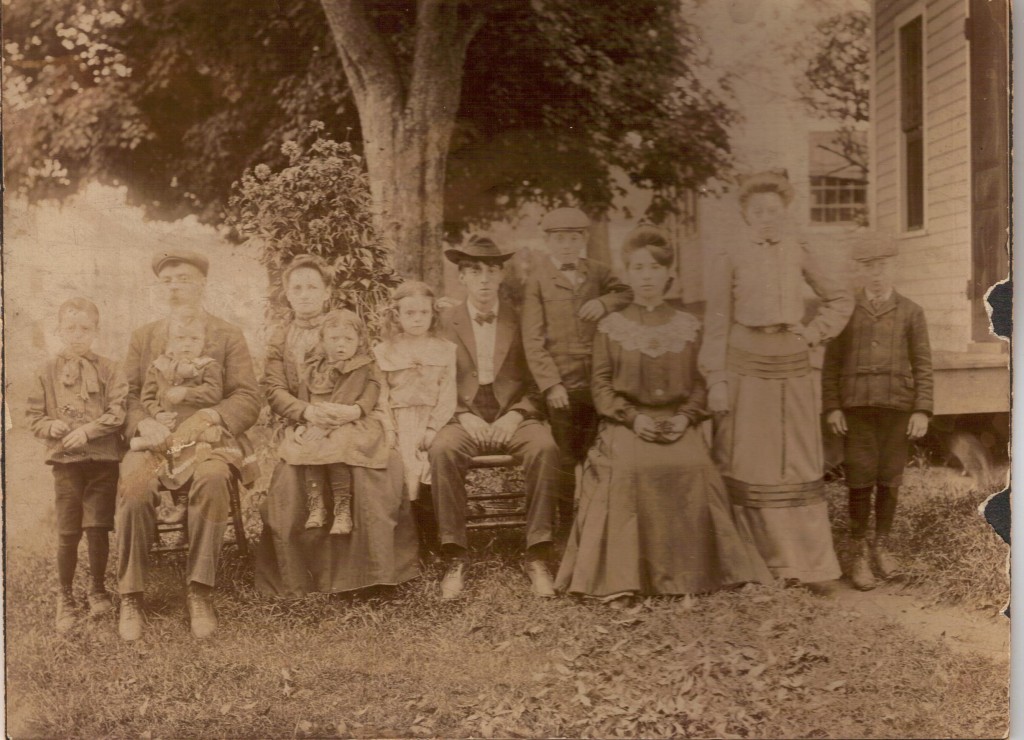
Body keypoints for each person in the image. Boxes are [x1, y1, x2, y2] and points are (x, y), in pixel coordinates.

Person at [555, 227, 770, 605]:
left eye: (654, 268)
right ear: (629, 273)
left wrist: (687, 418)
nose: (646, 276)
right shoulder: (610, 327)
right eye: (638, 268)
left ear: (668, 274)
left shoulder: (688, 324)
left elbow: (701, 382)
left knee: (693, 467)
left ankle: (699, 573)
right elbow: (601, 385)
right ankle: (620, 578)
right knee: (628, 471)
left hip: (677, 420)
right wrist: (632, 417)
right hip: (626, 422)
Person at [699, 170, 854, 593]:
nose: (767, 217)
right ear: (746, 215)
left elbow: (840, 298)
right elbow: (715, 325)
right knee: (749, 462)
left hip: (793, 368)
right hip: (744, 367)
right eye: (758, 211)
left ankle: (805, 565)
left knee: (795, 462)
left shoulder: (799, 250)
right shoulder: (730, 256)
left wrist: (813, 331)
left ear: (785, 212)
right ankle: (752, 564)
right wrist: (716, 379)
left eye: (774, 210)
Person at [115, 250, 261, 641]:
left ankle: (200, 590)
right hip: (155, 440)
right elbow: (127, 394)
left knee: (213, 478)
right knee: (135, 483)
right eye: (168, 281)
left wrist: (212, 416)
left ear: (202, 285)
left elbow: (247, 396)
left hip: (206, 441)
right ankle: (131, 594)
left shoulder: (227, 334)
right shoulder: (144, 337)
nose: (176, 288)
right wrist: (143, 421)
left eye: (184, 279)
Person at [254, 254, 419, 598]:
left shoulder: (346, 328)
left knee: (369, 472)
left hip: (353, 418)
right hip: (303, 423)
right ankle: (310, 579)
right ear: (286, 293)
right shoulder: (280, 338)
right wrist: (305, 415)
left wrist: (354, 412)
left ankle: (370, 575)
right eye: (296, 287)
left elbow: (369, 380)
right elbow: (274, 390)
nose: (304, 294)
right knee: (291, 481)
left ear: (327, 291)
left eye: (312, 286)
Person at [428, 235, 561, 599]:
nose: (484, 280)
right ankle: (455, 555)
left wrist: (516, 415)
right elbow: (434, 379)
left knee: (545, 448)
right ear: (462, 278)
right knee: (442, 450)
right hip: (462, 413)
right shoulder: (444, 321)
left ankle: (537, 554)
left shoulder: (521, 319)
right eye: (474, 271)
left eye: (490, 270)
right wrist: (460, 413)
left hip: (514, 413)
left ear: (501, 275)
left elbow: (537, 382)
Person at [823, 234, 933, 590]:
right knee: (860, 477)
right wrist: (833, 407)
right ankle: (856, 552)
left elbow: (924, 366)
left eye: (882, 266)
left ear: (893, 267)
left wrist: (922, 410)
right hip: (856, 409)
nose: (876, 274)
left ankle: (881, 547)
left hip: (897, 410)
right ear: (860, 271)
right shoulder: (847, 311)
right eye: (868, 267)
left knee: (889, 478)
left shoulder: (912, 313)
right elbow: (831, 365)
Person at [521, 207, 632, 530]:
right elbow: (532, 340)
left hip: (597, 382)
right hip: (562, 389)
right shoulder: (538, 280)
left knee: (599, 454)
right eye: (559, 239)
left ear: (583, 239)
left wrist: (604, 303)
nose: (566, 246)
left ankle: (600, 523)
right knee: (566, 459)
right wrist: (551, 384)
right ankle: (567, 529)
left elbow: (626, 291)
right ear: (548, 242)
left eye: (573, 238)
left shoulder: (597, 272)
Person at [26, 297, 128, 633]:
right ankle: (65, 595)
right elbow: (34, 417)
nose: (77, 334)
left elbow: (118, 412)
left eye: (85, 328)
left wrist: (89, 431)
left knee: (97, 526)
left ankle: (98, 588)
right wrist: (50, 426)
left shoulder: (110, 369)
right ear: (58, 330)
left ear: (96, 331)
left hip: (101, 461)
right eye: (70, 327)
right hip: (66, 463)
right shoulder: (46, 372)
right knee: (68, 530)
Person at [277, 309, 390, 536]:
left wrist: (325, 426)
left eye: (348, 339)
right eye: (334, 338)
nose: (341, 345)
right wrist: (301, 424)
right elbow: (303, 396)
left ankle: (342, 508)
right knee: (306, 444)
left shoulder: (361, 366)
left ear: (359, 342)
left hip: (347, 421)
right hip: (315, 421)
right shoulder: (313, 366)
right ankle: (316, 503)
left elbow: (355, 399)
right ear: (323, 340)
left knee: (336, 445)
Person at [137, 317, 249, 524]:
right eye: (180, 338)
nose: (187, 344)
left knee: (197, 457)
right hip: (169, 429)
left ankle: (188, 506)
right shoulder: (159, 367)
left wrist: (187, 393)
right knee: (167, 456)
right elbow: (147, 398)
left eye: (194, 339)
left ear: (204, 343)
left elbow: (215, 394)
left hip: (198, 428)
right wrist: (158, 414)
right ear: (168, 341)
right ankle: (182, 501)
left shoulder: (207, 366)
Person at [372, 281, 457, 551]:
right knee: (405, 472)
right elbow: (381, 395)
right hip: (399, 422)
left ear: (433, 313)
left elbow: (448, 393)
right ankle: (409, 544)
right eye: (410, 313)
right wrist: (389, 428)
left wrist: (433, 428)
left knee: (429, 471)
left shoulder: (445, 349)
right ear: (397, 315)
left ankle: (434, 539)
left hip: (434, 421)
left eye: (423, 312)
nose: (417, 319)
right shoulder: (384, 350)